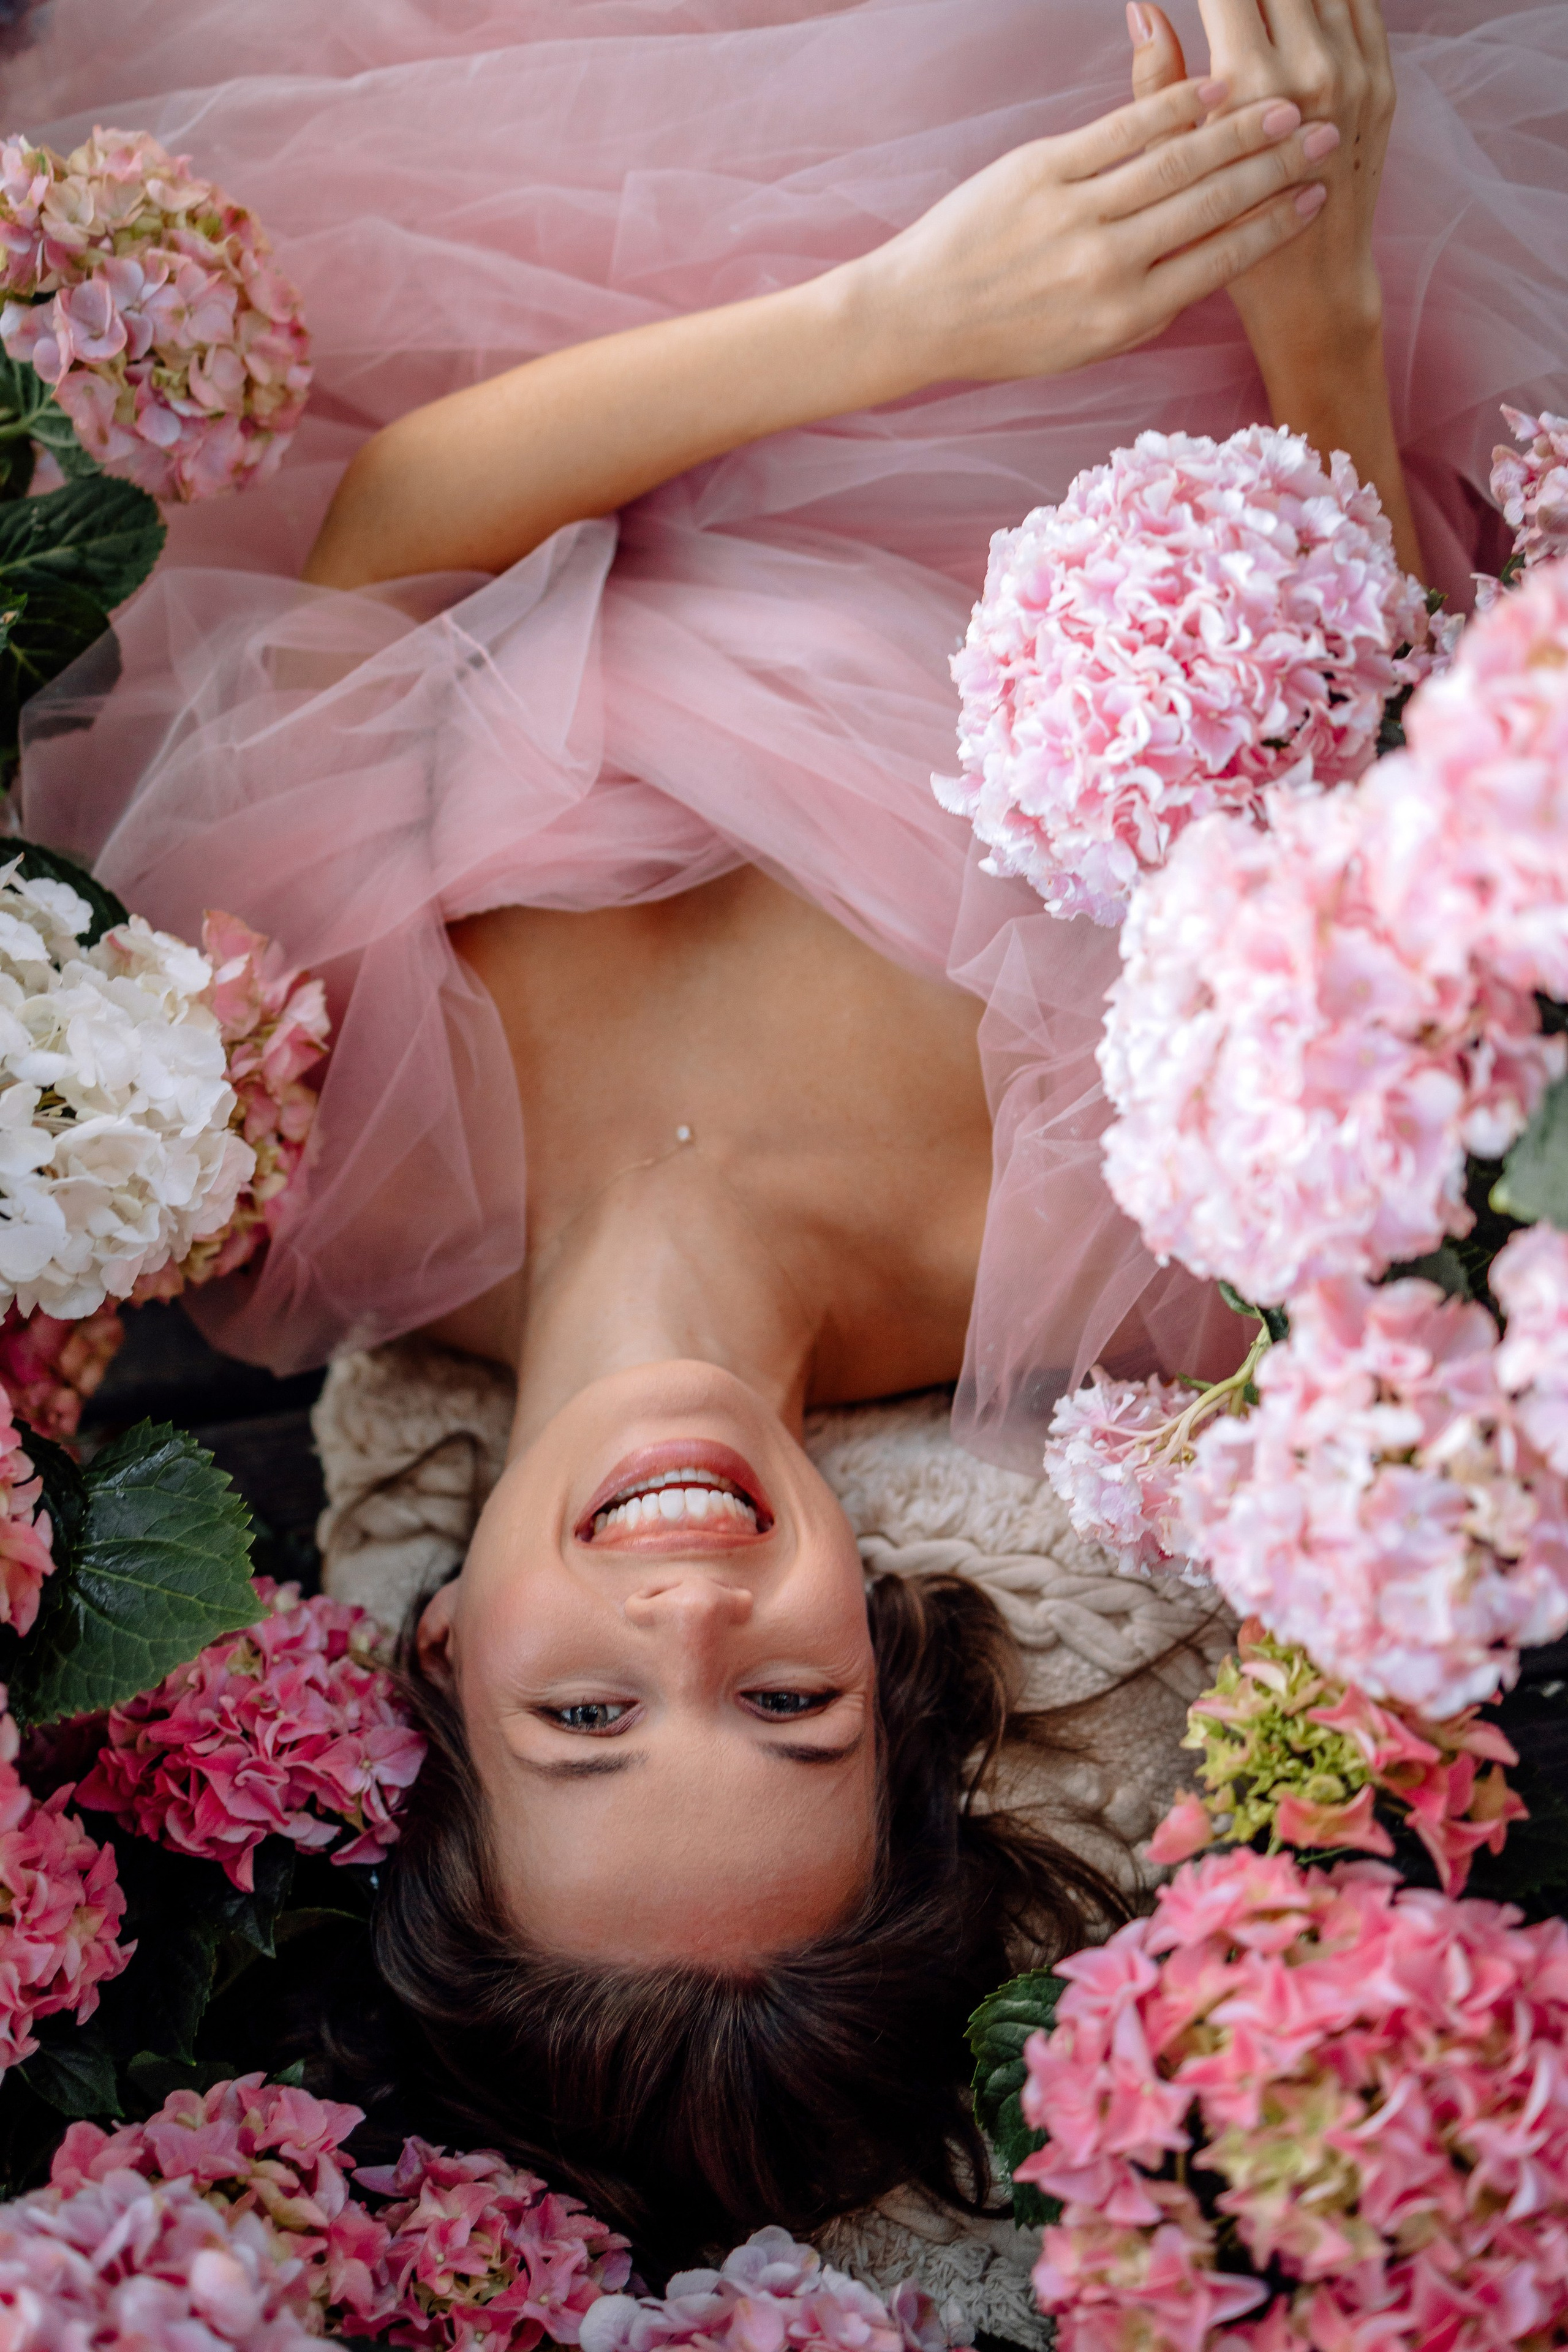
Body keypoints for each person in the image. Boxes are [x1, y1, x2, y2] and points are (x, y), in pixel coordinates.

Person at [15, 0, 1568, 2273]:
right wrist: (1312, 284)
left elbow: (393, 539)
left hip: (627, 254)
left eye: (589, 1710)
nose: (689, 1598)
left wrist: (896, 313)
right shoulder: (1092, 1238)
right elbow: (1364, 773)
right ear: (894, 1639)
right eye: (787, 1699)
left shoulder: (308, 1188)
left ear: (441, 1657)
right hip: (1140, 335)